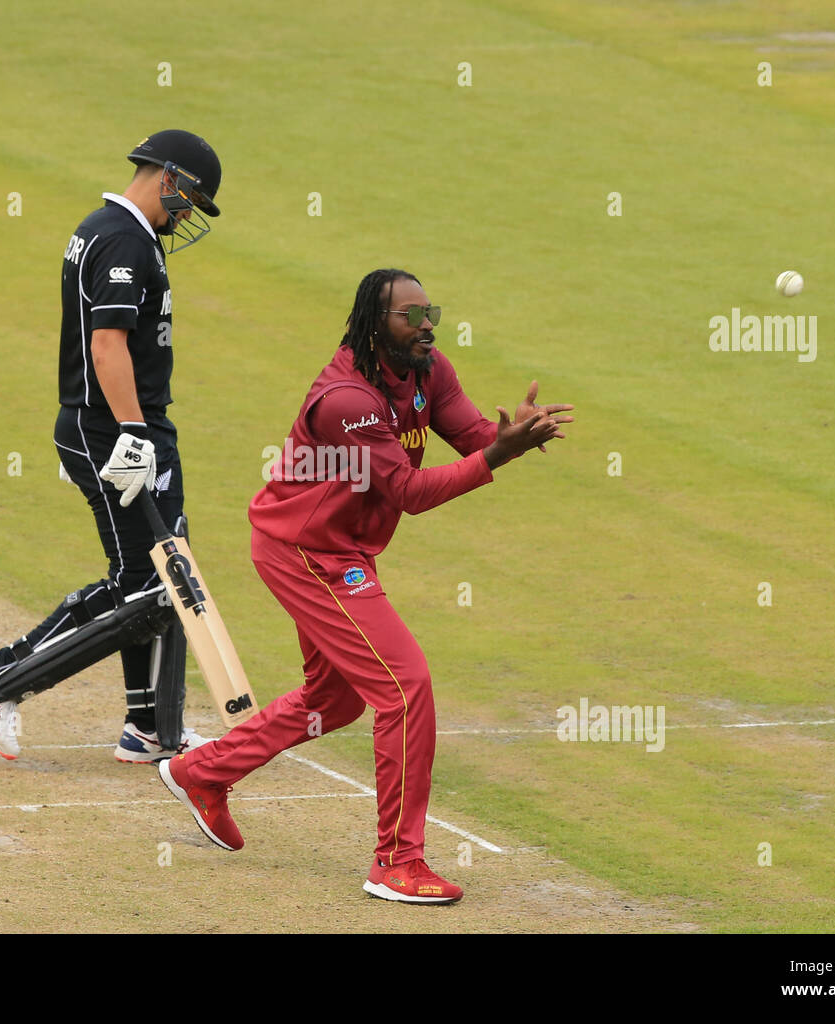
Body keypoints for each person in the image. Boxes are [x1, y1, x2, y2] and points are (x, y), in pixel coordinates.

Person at [158, 268, 574, 903]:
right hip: (304, 549)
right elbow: (409, 492)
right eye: (411, 315)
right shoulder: (346, 401)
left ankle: (202, 773)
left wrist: (508, 437)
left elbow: (471, 437)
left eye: (429, 310)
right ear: (376, 325)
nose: (427, 323)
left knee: (340, 698)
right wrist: (498, 458)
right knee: (405, 687)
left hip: (340, 544)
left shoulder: (427, 370)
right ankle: (397, 863)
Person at [0, 130, 224, 764]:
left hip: (136, 426)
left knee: (161, 574)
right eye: (189, 196)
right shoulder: (123, 239)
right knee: (146, 586)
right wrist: (132, 433)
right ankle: (0, 675)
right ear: (165, 175)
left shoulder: (113, 230)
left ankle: (150, 729)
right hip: (112, 429)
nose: (187, 213)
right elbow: (106, 345)